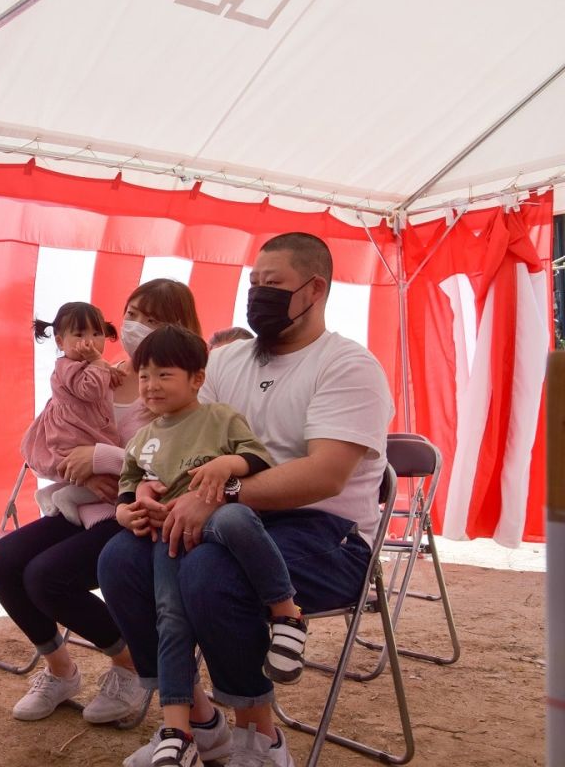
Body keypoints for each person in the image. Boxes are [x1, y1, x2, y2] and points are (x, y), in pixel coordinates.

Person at [98, 233, 394, 767]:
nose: (257, 295)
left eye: (272, 284)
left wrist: (218, 495)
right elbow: (174, 432)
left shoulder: (348, 365)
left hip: (327, 536)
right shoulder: (226, 360)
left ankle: (259, 736)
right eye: (253, 283)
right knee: (120, 559)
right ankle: (198, 721)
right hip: (228, 518)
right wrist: (146, 485)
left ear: (315, 289)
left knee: (210, 573)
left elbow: (325, 476)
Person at [0, 280, 230, 754]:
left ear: (180, 331)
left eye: (155, 319)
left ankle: (127, 667)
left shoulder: (175, 391)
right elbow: (51, 441)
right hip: (86, 502)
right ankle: (62, 672)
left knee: (48, 577)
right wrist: (73, 464)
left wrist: (100, 458)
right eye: (134, 312)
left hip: (138, 514)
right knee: (4, 560)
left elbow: (174, 463)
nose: (139, 325)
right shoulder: (98, 376)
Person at [20, 302, 122, 525]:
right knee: (110, 480)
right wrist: (99, 363)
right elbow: (90, 390)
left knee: (103, 474)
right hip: (74, 436)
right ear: (60, 341)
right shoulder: (67, 366)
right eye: (79, 334)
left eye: (97, 333)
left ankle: (49, 494)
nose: (89, 341)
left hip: (80, 431)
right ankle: (65, 497)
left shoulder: (83, 365)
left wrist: (106, 369)